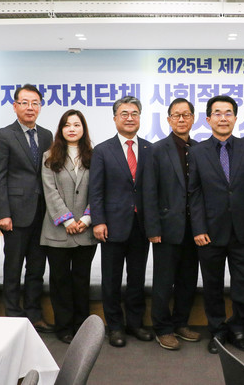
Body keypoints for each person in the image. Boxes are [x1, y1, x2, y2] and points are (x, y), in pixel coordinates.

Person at [189, 95, 244, 354]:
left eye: (228, 113)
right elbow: (194, 194)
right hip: (209, 232)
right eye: (218, 113)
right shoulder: (197, 152)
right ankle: (218, 330)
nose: (223, 118)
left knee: (243, 283)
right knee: (212, 285)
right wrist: (198, 228)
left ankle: (239, 328)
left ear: (236, 118)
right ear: (208, 119)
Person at [89, 96, 152, 348]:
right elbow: (96, 190)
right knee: (111, 279)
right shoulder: (102, 150)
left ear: (140, 118)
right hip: (112, 225)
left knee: (137, 278)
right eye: (124, 113)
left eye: (134, 113)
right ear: (115, 118)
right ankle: (114, 326)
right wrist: (98, 221)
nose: (129, 118)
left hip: (141, 225)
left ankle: (135, 323)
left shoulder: (149, 149)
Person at [0, 84, 54, 332]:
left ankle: (34, 314)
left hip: (43, 213)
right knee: (13, 267)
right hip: (15, 214)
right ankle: (13, 316)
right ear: (15, 106)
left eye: (35, 103)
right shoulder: (4, 135)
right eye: (25, 103)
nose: (30, 108)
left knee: (37, 268)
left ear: (40, 107)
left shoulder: (47, 135)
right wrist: (3, 213)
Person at [143, 98, 202, 351]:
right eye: (176, 115)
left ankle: (181, 323)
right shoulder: (156, 150)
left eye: (186, 115)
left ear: (193, 119)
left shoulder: (200, 149)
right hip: (166, 228)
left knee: (188, 279)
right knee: (164, 281)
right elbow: (149, 191)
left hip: (195, 228)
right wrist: (153, 228)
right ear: (168, 120)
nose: (181, 119)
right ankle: (163, 328)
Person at [41, 109, 98, 344]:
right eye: (67, 125)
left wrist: (86, 219)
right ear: (61, 130)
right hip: (57, 230)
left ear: (83, 129)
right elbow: (50, 191)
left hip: (86, 229)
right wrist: (67, 219)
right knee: (60, 281)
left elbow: (99, 190)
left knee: (81, 280)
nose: (72, 129)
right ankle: (63, 327)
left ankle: (81, 327)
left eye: (76, 124)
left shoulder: (95, 156)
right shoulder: (49, 156)